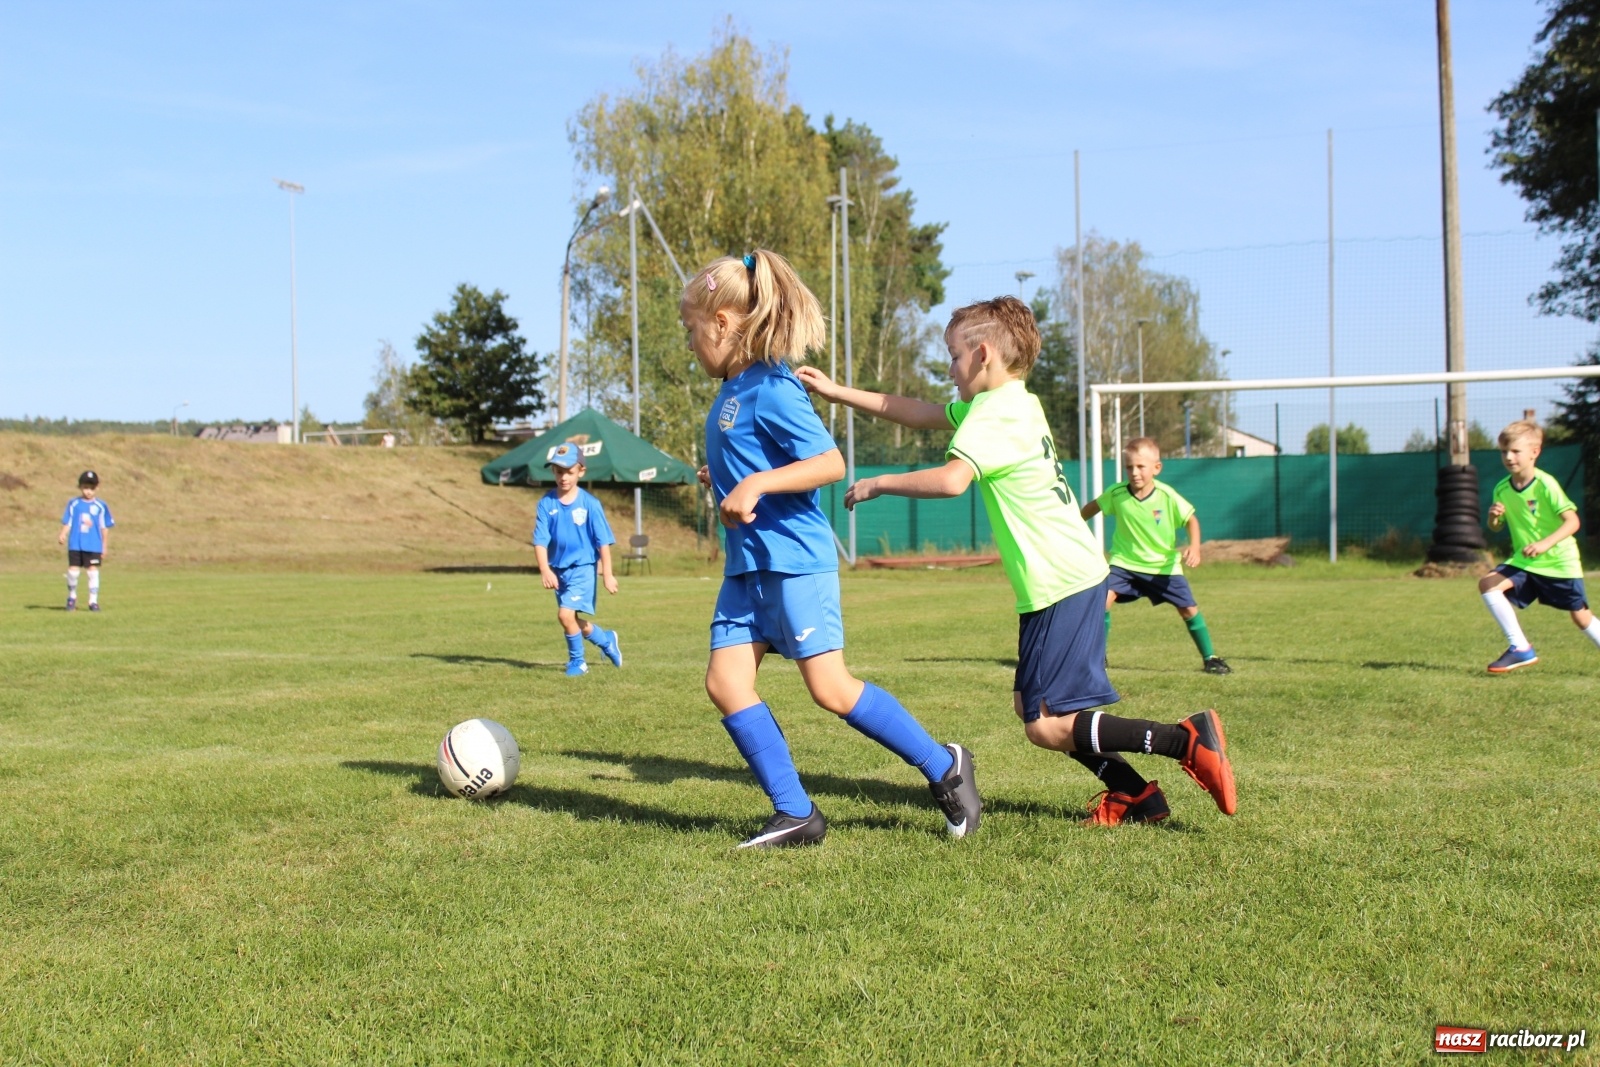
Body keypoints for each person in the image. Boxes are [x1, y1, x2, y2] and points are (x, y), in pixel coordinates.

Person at [797, 296, 1236, 827]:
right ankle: (1135, 795)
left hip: (1062, 582)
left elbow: (954, 479)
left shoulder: (997, 413)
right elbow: (920, 413)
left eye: (953, 357)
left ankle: (1182, 740)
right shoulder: (1011, 403)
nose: (949, 370)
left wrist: (878, 483)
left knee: (1048, 725)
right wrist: (837, 392)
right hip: (1058, 581)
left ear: (982, 354)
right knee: (1033, 707)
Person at [686, 248, 980, 848]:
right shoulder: (733, 388)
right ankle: (796, 812)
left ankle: (943, 765)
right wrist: (727, 478)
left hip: (794, 561)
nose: (689, 342)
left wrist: (757, 482)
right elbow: (754, 462)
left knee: (831, 689)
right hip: (749, 567)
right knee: (726, 682)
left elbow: (829, 461)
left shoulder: (773, 385)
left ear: (721, 325)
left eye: (691, 329)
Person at [1080, 437, 1231, 674]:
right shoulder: (1117, 493)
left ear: (1156, 468)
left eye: (1141, 466)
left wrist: (1195, 547)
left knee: (1189, 609)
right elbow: (1093, 507)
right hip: (1124, 564)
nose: (1134, 472)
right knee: (1102, 601)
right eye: (1129, 467)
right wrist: (1074, 524)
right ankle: (1098, 658)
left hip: (1163, 566)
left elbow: (1191, 520)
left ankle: (1211, 657)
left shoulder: (1167, 496)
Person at [1478, 419, 1600, 672]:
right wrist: (1493, 517)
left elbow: (1572, 521)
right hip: (1525, 562)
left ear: (1535, 452)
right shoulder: (1502, 488)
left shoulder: (1546, 484)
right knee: (1488, 584)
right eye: (1504, 451)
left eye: (1515, 451)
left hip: (1558, 562)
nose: (1509, 457)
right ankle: (1520, 647)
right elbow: (1496, 527)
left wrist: (1545, 544)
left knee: (1580, 616)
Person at [533, 443, 622, 677]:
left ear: (581, 471)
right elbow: (540, 540)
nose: (563, 477)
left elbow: (603, 541)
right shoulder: (546, 504)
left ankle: (578, 663)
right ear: (553, 472)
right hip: (558, 570)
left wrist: (608, 574)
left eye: (569, 471)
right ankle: (606, 640)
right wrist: (545, 569)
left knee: (564, 615)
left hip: (582, 568)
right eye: (558, 471)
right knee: (570, 618)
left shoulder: (590, 504)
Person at [58, 469, 114, 612]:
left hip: (93, 544)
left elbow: (104, 527)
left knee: (92, 571)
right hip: (76, 543)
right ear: (80, 487)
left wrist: (104, 546)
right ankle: (71, 597)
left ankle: (93, 601)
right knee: (73, 570)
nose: (88, 491)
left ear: (97, 488)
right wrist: (63, 534)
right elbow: (68, 522)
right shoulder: (74, 503)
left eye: (91, 488)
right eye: (85, 487)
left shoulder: (101, 506)